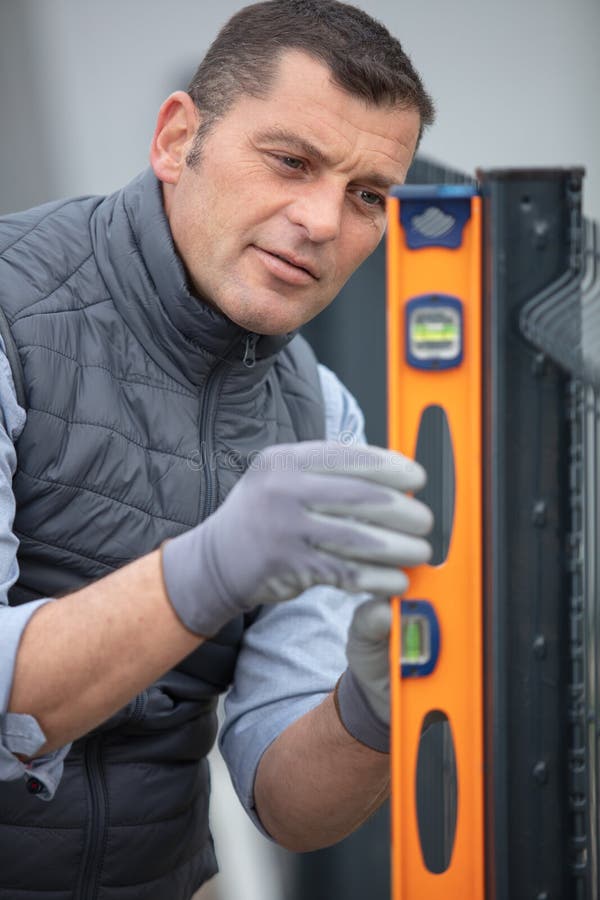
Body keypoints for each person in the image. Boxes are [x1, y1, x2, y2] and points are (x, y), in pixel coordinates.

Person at [0, 1, 435, 897]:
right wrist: (212, 567)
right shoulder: (9, 315)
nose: (321, 221)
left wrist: (378, 703)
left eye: (367, 196)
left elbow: (291, 807)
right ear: (175, 140)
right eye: (291, 161)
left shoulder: (321, 414)